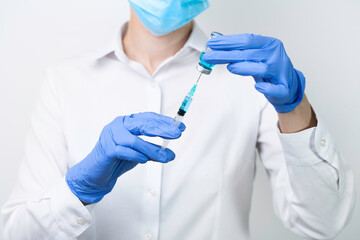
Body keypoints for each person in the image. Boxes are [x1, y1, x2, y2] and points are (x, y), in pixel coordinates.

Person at [1, 0, 355, 239]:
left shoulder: (252, 78)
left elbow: (323, 225)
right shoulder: (64, 81)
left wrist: (294, 108)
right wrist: (76, 193)